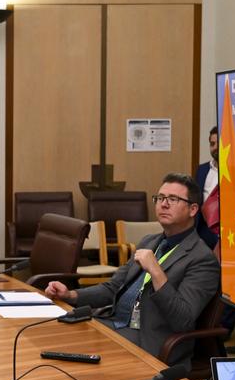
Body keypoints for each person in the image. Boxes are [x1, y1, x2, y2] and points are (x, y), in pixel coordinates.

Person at [44, 173, 220, 367]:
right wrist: (71, 294)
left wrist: (157, 272)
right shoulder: (150, 241)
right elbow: (113, 288)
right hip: (114, 323)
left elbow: (182, 320)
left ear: (193, 209)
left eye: (173, 199)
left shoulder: (202, 259)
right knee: (52, 336)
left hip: (149, 340)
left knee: (69, 357)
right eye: (160, 198)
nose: (163, 204)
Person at [193, 126, 220, 249]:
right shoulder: (202, 169)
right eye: (212, 144)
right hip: (204, 231)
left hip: (227, 230)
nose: (215, 148)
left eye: (218, 143)